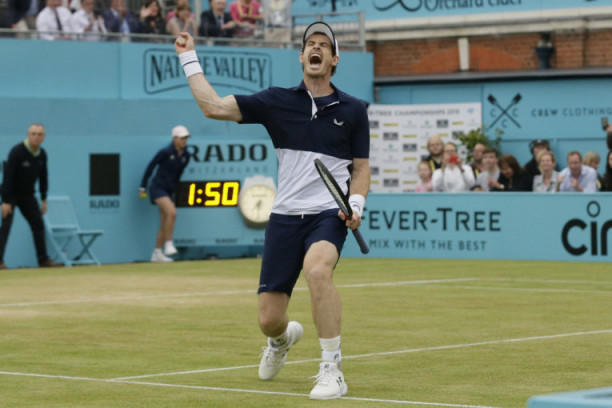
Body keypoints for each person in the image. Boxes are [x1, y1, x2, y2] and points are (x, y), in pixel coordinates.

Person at [174, 21, 370, 399]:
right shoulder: (276, 101)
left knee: (317, 271)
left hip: (327, 214)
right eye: (310, 44)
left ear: (334, 59)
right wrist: (188, 57)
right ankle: (281, 340)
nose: (316, 48)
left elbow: (361, 169)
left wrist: (356, 202)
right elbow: (213, 107)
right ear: (302, 56)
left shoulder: (353, 110)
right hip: (284, 218)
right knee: (269, 320)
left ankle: (332, 370)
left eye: (323, 45)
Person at [0, 124, 61, 269]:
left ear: (43, 137)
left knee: (38, 225)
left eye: (39, 134)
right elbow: (8, 176)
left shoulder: (42, 154)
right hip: (11, 195)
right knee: (6, 226)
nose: (36, 137)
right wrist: (6, 201)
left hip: (27, 195)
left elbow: (43, 177)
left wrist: (44, 199)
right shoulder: (17, 151)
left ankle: (43, 260)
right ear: (28, 135)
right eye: (33, 133)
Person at [139, 125, 191, 263]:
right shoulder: (165, 152)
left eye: (186, 138)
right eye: (182, 138)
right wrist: (143, 187)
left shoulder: (186, 156)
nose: (184, 141)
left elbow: (178, 175)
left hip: (168, 190)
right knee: (172, 213)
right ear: (174, 138)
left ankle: (157, 253)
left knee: (165, 222)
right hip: (157, 188)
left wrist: (173, 189)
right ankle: (168, 244)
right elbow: (150, 167)